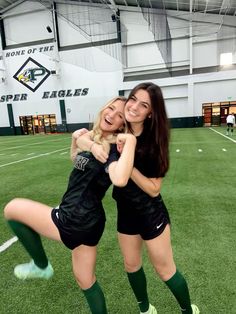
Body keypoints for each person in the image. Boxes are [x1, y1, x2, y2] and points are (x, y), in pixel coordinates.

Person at [4, 96, 137, 314]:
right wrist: (77, 141)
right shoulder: (93, 138)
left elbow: (116, 173)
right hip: (92, 223)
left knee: (12, 209)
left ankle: (41, 266)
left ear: (123, 124)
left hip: (75, 217)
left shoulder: (113, 149)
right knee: (86, 281)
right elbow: (76, 158)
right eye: (111, 108)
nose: (111, 115)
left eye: (119, 115)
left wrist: (95, 146)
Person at [78, 83, 199, 314]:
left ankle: (188, 311)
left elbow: (154, 189)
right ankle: (145, 309)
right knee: (131, 265)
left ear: (150, 112)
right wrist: (82, 140)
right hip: (126, 213)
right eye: (132, 99)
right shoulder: (117, 132)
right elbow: (86, 139)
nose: (133, 107)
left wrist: (128, 163)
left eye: (143, 105)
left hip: (150, 213)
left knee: (165, 270)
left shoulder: (154, 141)